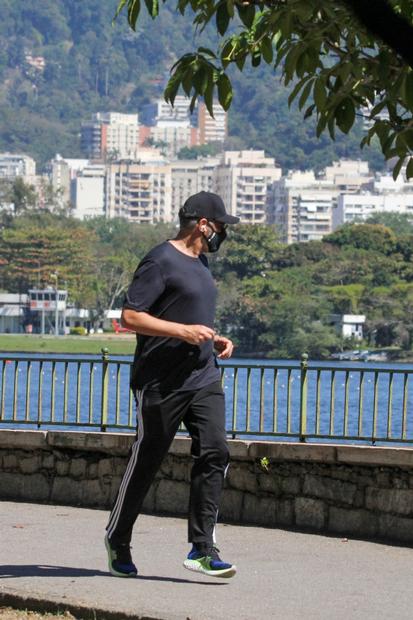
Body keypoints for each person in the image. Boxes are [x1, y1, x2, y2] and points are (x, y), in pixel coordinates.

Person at [105, 191, 239, 579]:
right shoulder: (160, 260)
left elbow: (188, 317)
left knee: (215, 451)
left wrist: (212, 340)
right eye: (221, 226)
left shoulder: (202, 263)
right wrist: (181, 332)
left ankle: (202, 548)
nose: (223, 233)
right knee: (147, 462)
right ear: (202, 225)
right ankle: (118, 538)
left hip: (203, 375)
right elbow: (131, 315)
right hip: (161, 381)